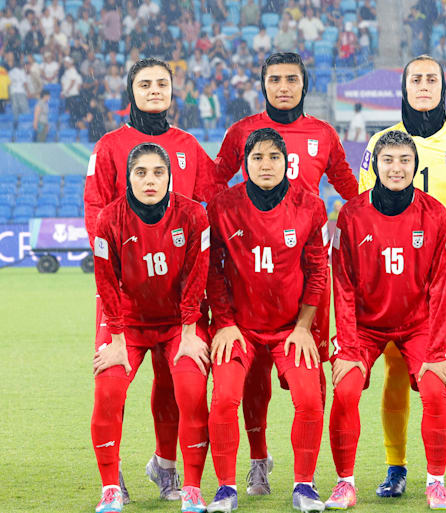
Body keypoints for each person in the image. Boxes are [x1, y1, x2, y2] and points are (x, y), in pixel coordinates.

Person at [213, 52, 359, 495]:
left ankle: (310, 479)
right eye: (274, 79)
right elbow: (215, 188)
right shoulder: (240, 132)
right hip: (251, 270)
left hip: (304, 272)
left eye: (291, 79)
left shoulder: (322, 133)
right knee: (251, 380)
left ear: (304, 84)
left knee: (311, 382)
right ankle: (258, 462)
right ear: (263, 84)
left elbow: (352, 194)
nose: (282, 86)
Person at [84, 58, 218, 504]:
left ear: (172, 90)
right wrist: (126, 265)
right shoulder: (109, 146)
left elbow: (204, 209)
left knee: (175, 383)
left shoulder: (188, 145)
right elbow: (96, 216)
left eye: (163, 83)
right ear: (132, 91)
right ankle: (112, 477)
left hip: (177, 299)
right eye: (146, 84)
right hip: (122, 296)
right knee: (111, 383)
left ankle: (165, 466)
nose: (155, 90)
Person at [358, 55, 446, 497]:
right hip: (397, 282)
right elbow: (364, 211)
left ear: (443, 86)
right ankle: (396, 466)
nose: (424, 86)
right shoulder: (379, 142)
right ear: (404, 87)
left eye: (432, 79)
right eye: (416, 79)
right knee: (396, 372)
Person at [328, 130, 446, 510]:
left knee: (434, 389)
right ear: (375, 165)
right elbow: (343, 286)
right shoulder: (351, 214)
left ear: (415, 166)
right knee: (346, 388)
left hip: (418, 325)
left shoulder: (434, 214)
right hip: (365, 327)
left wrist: (435, 350)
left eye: (404, 161)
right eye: (388, 160)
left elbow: (442, 287)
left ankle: (435, 483)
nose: (396, 168)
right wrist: (349, 348)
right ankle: (344, 484)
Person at [206, 128, 329, 513]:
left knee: (310, 399)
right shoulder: (223, 205)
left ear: (287, 161)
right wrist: (224, 322)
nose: (265, 164)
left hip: (289, 330)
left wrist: (304, 327)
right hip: (238, 329)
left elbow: (318, 272)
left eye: (274, 157)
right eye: (257, 157)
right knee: (224, 398)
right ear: (245, 163)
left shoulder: (310, 205)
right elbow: (213, 272)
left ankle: (304, 487)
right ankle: (225, 489)